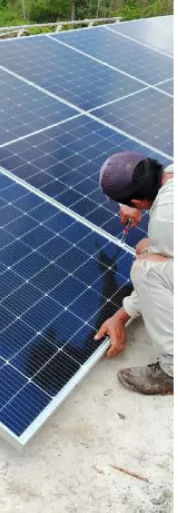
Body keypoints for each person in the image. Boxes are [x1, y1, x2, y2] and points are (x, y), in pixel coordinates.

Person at [94, 152, 173, 395]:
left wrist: (120, 315)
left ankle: (171, 371)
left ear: (137, 202)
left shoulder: (167, 219)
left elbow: (156, 272)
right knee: (145, 248)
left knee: (145, 268)